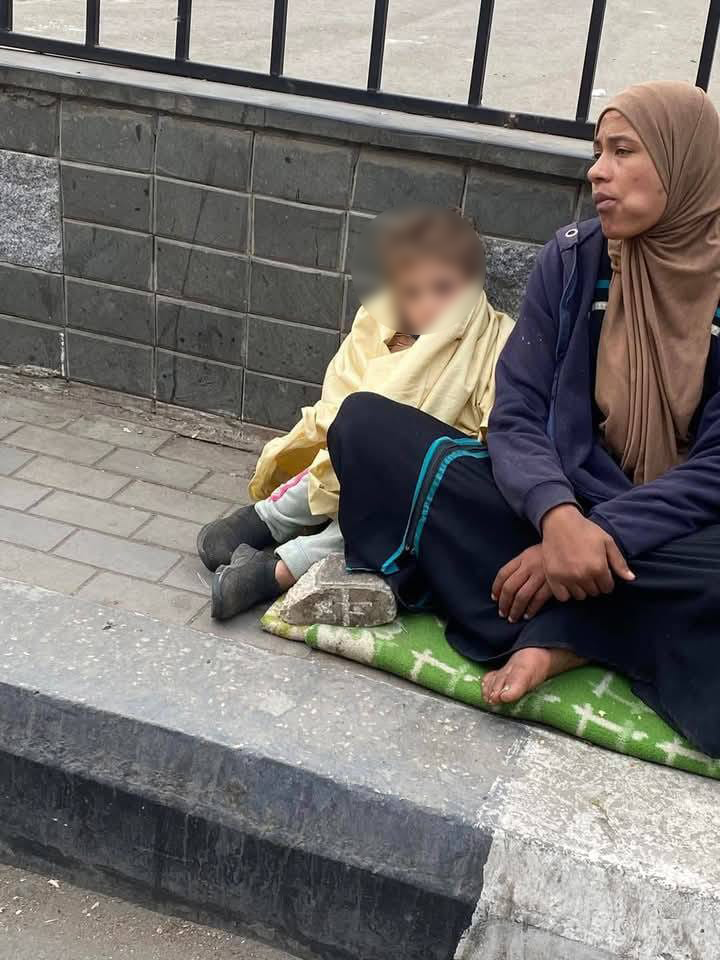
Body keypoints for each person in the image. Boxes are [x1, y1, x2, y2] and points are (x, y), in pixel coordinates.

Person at [326, 81, 720, 757]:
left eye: (623, 151)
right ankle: (595, 622)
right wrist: (557, 516)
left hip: (675, 532)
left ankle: (561, 627)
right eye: (597, 152)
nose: (597, 171)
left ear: (685, 162)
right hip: (558, 508)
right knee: (364, 426)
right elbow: (516, 414)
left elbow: (715, 470)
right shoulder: (573, 260)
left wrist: (599, 535)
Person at [196, 207, 514, 620]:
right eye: (412, 288)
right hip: (352, 456)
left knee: (371, 519)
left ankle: (279, 568)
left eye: (444, 288)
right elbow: (340, 395)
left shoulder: (495, 339)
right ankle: (271, 518)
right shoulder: (380, 320)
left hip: (420, 478)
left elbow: (498, 431)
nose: (427, 303)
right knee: (333, 456)